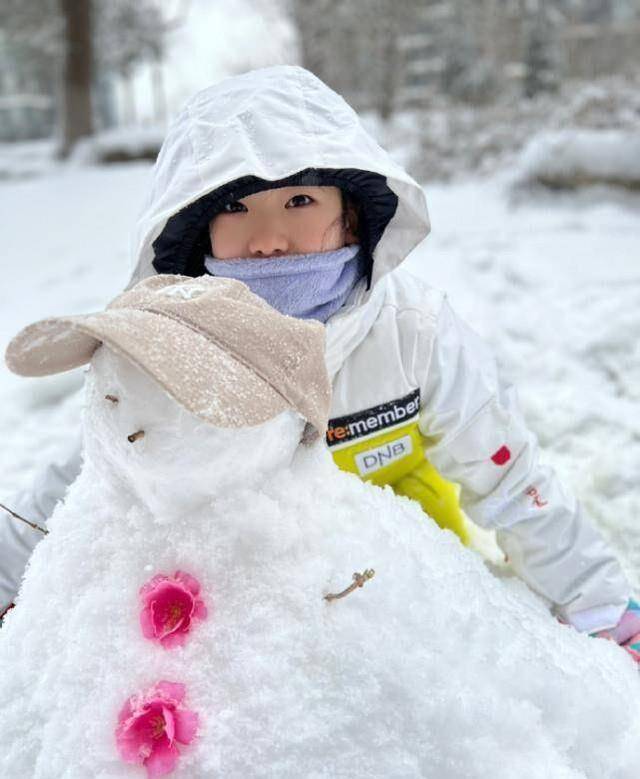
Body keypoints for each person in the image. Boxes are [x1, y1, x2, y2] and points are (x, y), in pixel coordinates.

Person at [1, 65, 638, 660]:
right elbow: (95, 469)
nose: (269, 237)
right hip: (254, 556)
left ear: (352, 214)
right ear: (196, 229)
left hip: (403, 534)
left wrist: (600, 607)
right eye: (234, 207)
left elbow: (508, 478)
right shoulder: (177, 343)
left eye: (299, 201)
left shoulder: (411, 332)